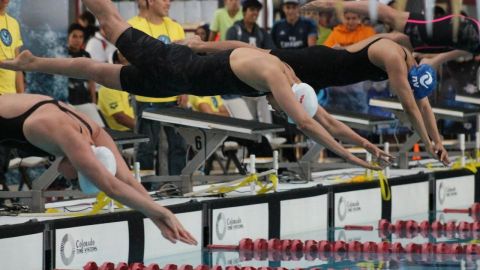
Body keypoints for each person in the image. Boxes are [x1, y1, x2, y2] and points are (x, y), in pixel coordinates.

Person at [1, 0, 393, 171]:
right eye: (281, 106)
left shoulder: (283, 72)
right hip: (172, 63)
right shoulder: (276, 76)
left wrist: (366, 145)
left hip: (172, 78)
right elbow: (309, 125)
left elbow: (324, 119)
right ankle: (33, 61)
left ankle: (34, 62)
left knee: (96, 72)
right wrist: (353, 159)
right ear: (289, 96)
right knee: (108, 20)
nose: (278, 109)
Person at [183, 34, 451, 166]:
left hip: (326, 72)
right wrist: (427, 144)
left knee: (257, 57)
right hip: (319, 65)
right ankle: (198, 46)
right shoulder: (395, 61)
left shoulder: (409, 59)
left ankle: (199, 49)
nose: (397, 89)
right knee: (256, 51)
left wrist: (438, 141)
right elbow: (410, 105)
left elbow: (423, 104)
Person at [0, 93, 197, 245]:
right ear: (79, 167)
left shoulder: (94, 130)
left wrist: (158, 217)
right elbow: (112, 187)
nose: (68, 180)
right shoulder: (70, 138)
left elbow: (129, 181)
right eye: (74, 181)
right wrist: (164, 213)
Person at [127, 0, 188, 184]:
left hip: (173, 95)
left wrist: (185, 88)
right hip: (147, 96)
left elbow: (184, 61)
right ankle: (144, 190)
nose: (168, 3)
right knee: (146, 148)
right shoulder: (133, 26)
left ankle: (177, 185)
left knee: (179, 145)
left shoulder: (176, 27)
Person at [302, 0, 480, 54]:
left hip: (463, 43)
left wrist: (436, 60)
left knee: (394, 39)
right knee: (390, 17)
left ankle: (344, 50)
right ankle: (333, 5)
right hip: (464, 32)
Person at [0, 0, 25, 195]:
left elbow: (18, 64)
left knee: (4, 153)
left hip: (11, 98)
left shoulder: (13, 23)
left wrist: (22, 97)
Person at [97, 50, 135, 131]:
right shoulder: (108, 88)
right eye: (126, 63)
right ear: (116, 64)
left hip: (136, 127)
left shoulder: (130, 83)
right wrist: (141, 128)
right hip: (125, 132)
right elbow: (120, 118)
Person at [66, 23, 96, 105]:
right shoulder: (62, 54)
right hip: (67, 100)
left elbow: (91, 80)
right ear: (68, 37)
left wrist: (94, 101)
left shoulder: (86, 55)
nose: (78, 40)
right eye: (74, 36)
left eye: (81, 37)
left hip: (84, 99)